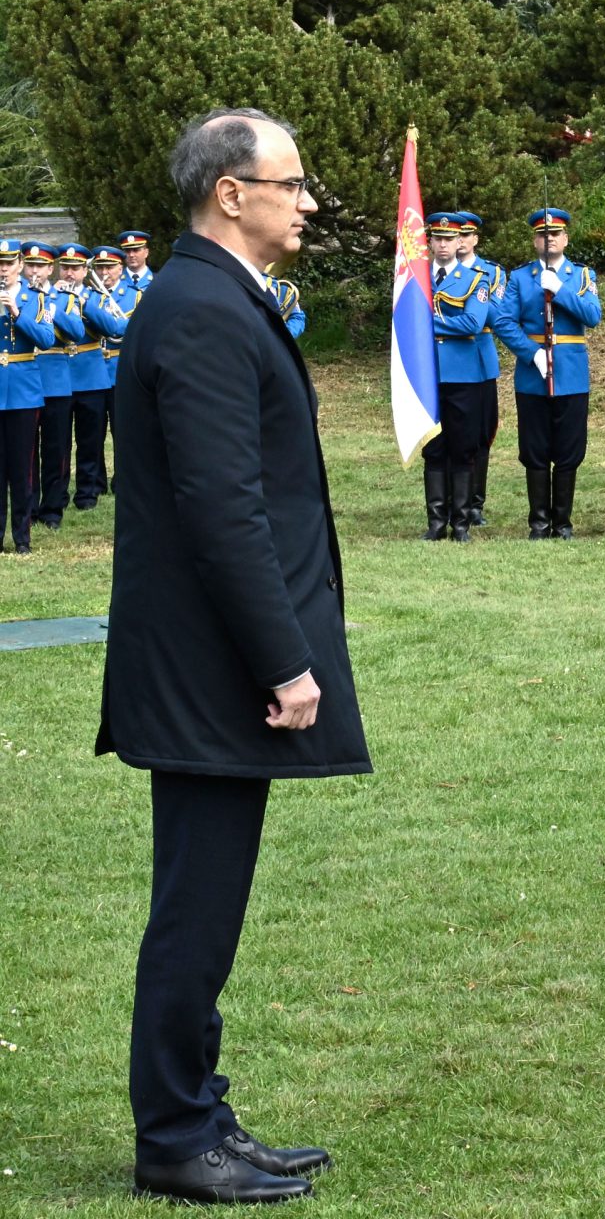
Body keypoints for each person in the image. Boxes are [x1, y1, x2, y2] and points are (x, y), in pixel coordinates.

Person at [102, 107, 363, 1206]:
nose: (306, 202)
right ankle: (173, 1134)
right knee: (197, 908)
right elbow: (223, 507)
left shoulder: (215, 296)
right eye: (291, 184)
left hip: (212, 665)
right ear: (230, 194)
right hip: (212, 670)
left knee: (209, 901)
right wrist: (285, 661)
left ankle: (200, 1108)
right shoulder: (202, 309)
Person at [493, 207, 604, 539]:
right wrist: (531, 353)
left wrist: (559, 289)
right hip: (533, 374)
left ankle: (563, 523)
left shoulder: (582, 276)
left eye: (555, 234)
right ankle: (539, 523)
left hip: (571, 373)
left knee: (569, 449)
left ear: (565, 238)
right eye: (543, 235)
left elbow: (593, 315)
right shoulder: (519, 278)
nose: (549, 239)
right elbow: (503, 321)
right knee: (535, 449)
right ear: (534, 240)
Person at [421, 214, 496, 541]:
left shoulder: (475, 279)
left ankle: (461, 524)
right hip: (426, 374)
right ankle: (436, 523)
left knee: (463, 447)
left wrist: (425, 326)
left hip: (464, 375)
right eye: (436, 239)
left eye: (448, 239)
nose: (442, 245)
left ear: (459, 243)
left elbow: (473, 324)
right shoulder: (416, 277)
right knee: (434, 449)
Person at [447, 213, 504, 528]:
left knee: (482, 432)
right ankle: (451, 504)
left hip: (479, 357)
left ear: (474, 239)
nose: (462, 241)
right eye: (458, 236)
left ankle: (475, 503)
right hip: (448, 360)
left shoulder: (491, 273)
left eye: (467, 235)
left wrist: (470, 295)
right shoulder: (437, 274)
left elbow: (493, 315)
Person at [1, 240, 54, 553]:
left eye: (9, 263)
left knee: (22, 468)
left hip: (23, 391)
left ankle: (22, 538)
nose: (3, 269)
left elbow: (46, 339)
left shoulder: (36, 298)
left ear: (20, 265)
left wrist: (16, 311)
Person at [72, 247, 132, 508]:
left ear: (121, 268)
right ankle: (94, 483)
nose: (104, 273)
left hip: (120, 371)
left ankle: (125, 481)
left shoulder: (133, 294)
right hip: (93, 371)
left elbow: (122, 330)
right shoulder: (85, 295)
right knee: (91, 434)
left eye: (110, 268)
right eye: (100, 268)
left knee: (124, 432)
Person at [29, 243, 84, 527]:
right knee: (27, 452)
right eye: (31, 265)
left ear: (51, 269)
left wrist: (51, 307)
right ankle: (28, 508)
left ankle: (52, 509)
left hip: (56, 383)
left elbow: (76, 331)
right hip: (27, 382)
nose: (35, 271)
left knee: (55, 449)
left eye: (41, 266)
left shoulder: (64, 297)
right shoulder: (19, 297)